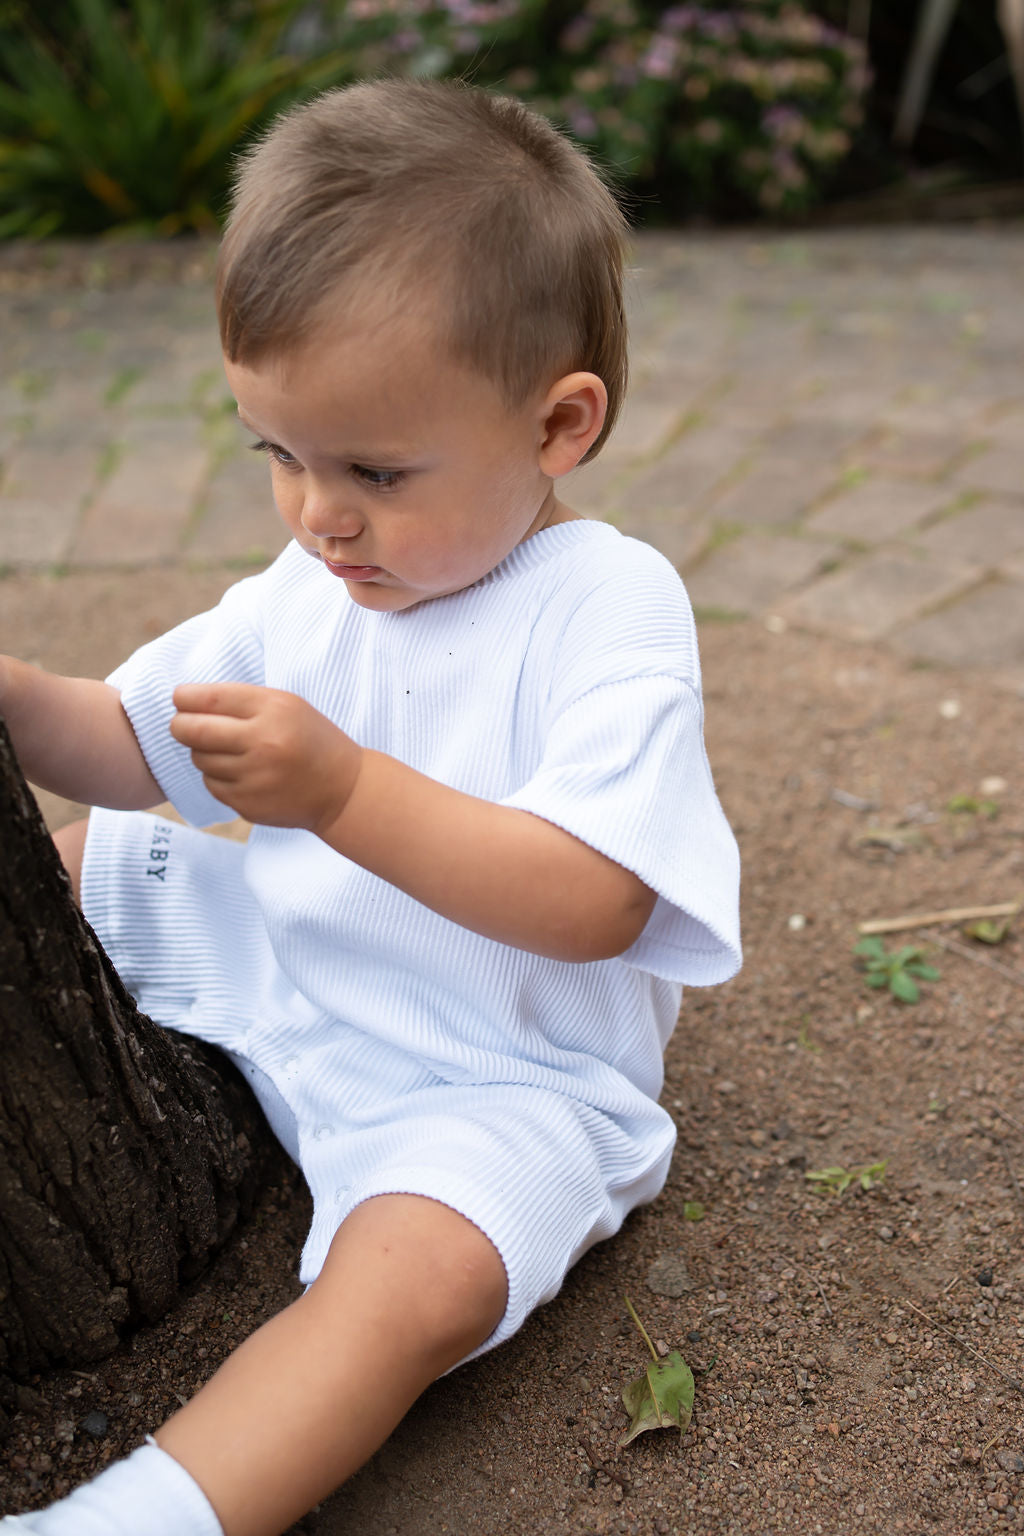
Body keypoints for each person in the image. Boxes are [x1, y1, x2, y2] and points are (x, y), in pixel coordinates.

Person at [0, 78, 740, 1536]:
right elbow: (128, 745)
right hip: (295, 955)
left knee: (420, 1286)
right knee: (97, 862)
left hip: (495, 1070)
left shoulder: (608, 610)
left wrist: (340, 791)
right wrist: (18, 694)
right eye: (278, 454)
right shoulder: (313, 583)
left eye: (374, 471)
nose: (316, 515)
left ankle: (138, 1517)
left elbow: (600, 901)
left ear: (559, 424)